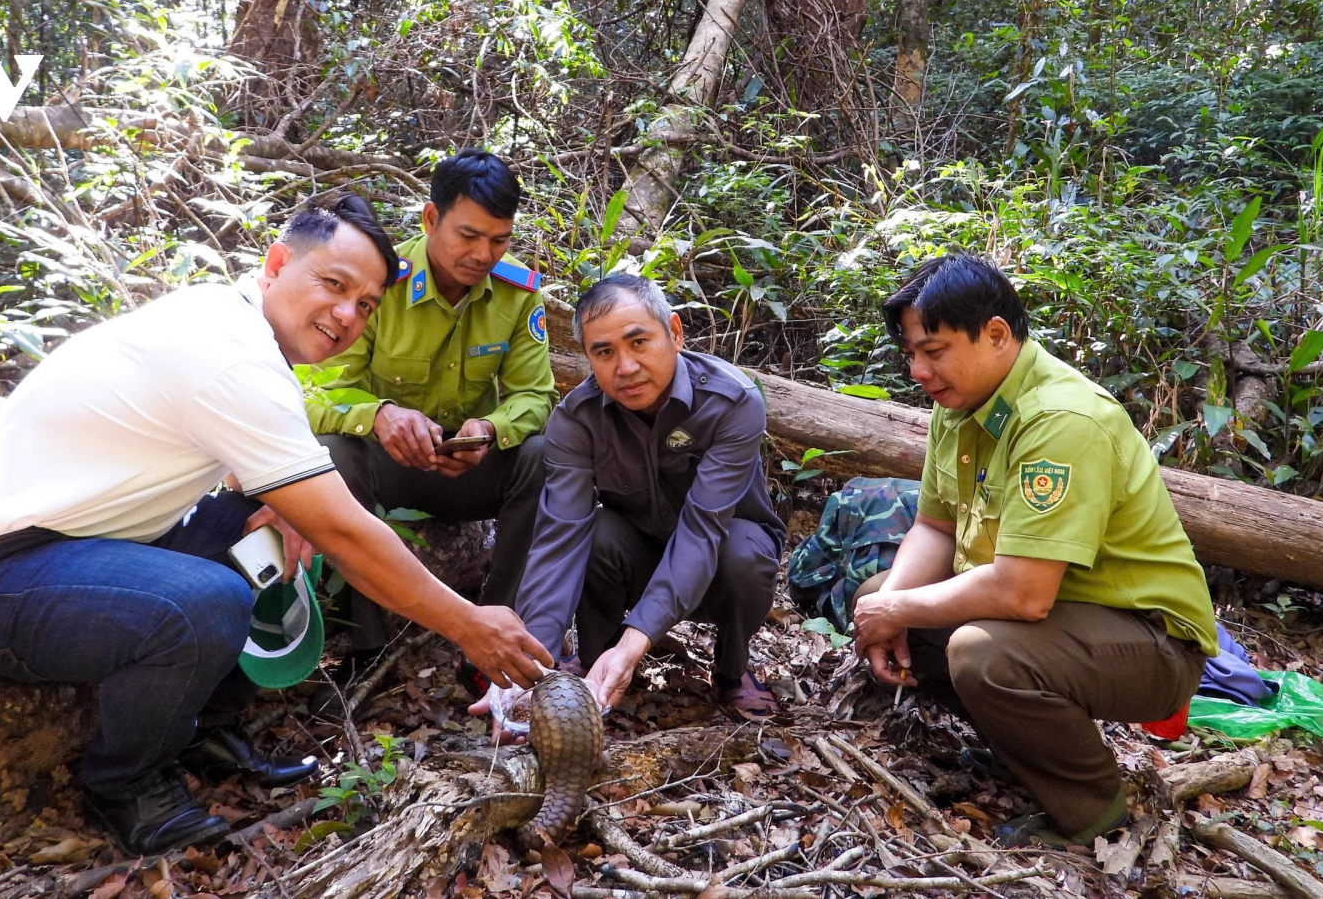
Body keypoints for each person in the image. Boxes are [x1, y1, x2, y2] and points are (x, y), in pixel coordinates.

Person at [0, 194, 551, 857]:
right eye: (333, 285)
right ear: (277, 264)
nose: (346, 316)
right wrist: (468, 624)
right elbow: (345, 532)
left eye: (366, 304)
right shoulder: (231, 355)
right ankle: (125, 785)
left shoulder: (236, 324)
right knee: (207, 603)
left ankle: (205, 727)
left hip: (88, 543)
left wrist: (283, 502)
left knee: (262, 531)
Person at [848, 254, 1218, 847]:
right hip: (1060, 622)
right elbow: (936, 528)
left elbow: (1022, 594)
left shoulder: (1062, 419)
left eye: (934, 351)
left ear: (996, 334)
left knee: (983, 654)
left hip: (1152, 642)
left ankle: (1095, 815)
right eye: (911, 353)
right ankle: (1022, 751)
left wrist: (900, 611)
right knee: (879, 595)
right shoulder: (961, 403)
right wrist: (890, 608)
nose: (919, 370)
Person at [478, 274, 786, 729]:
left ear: (675, 333)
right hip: (635, 550)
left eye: (638, 342)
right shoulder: (577, 421)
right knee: (594, 535)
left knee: (744, 555)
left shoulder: (732, 402)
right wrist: (529, 667)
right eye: (604, 352)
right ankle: (595, 660)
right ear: (588, 360)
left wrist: (635, 640)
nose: (625, 367)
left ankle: (731, 668)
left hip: (719, 552)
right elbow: (559, 541)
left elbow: (703, 530)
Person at [306, 150, 555, 674]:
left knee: (543, 455)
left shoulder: (517, 294)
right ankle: (367, 647)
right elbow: (316, 392)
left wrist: (491, 429)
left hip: (465, 473)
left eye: (499, 239)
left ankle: (501, 627)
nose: (483, 253)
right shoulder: (380, 285)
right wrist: (378, 416)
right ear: (429, 218)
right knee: (333, 452)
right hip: (386, 472)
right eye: (468, 235)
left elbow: (536, 396)